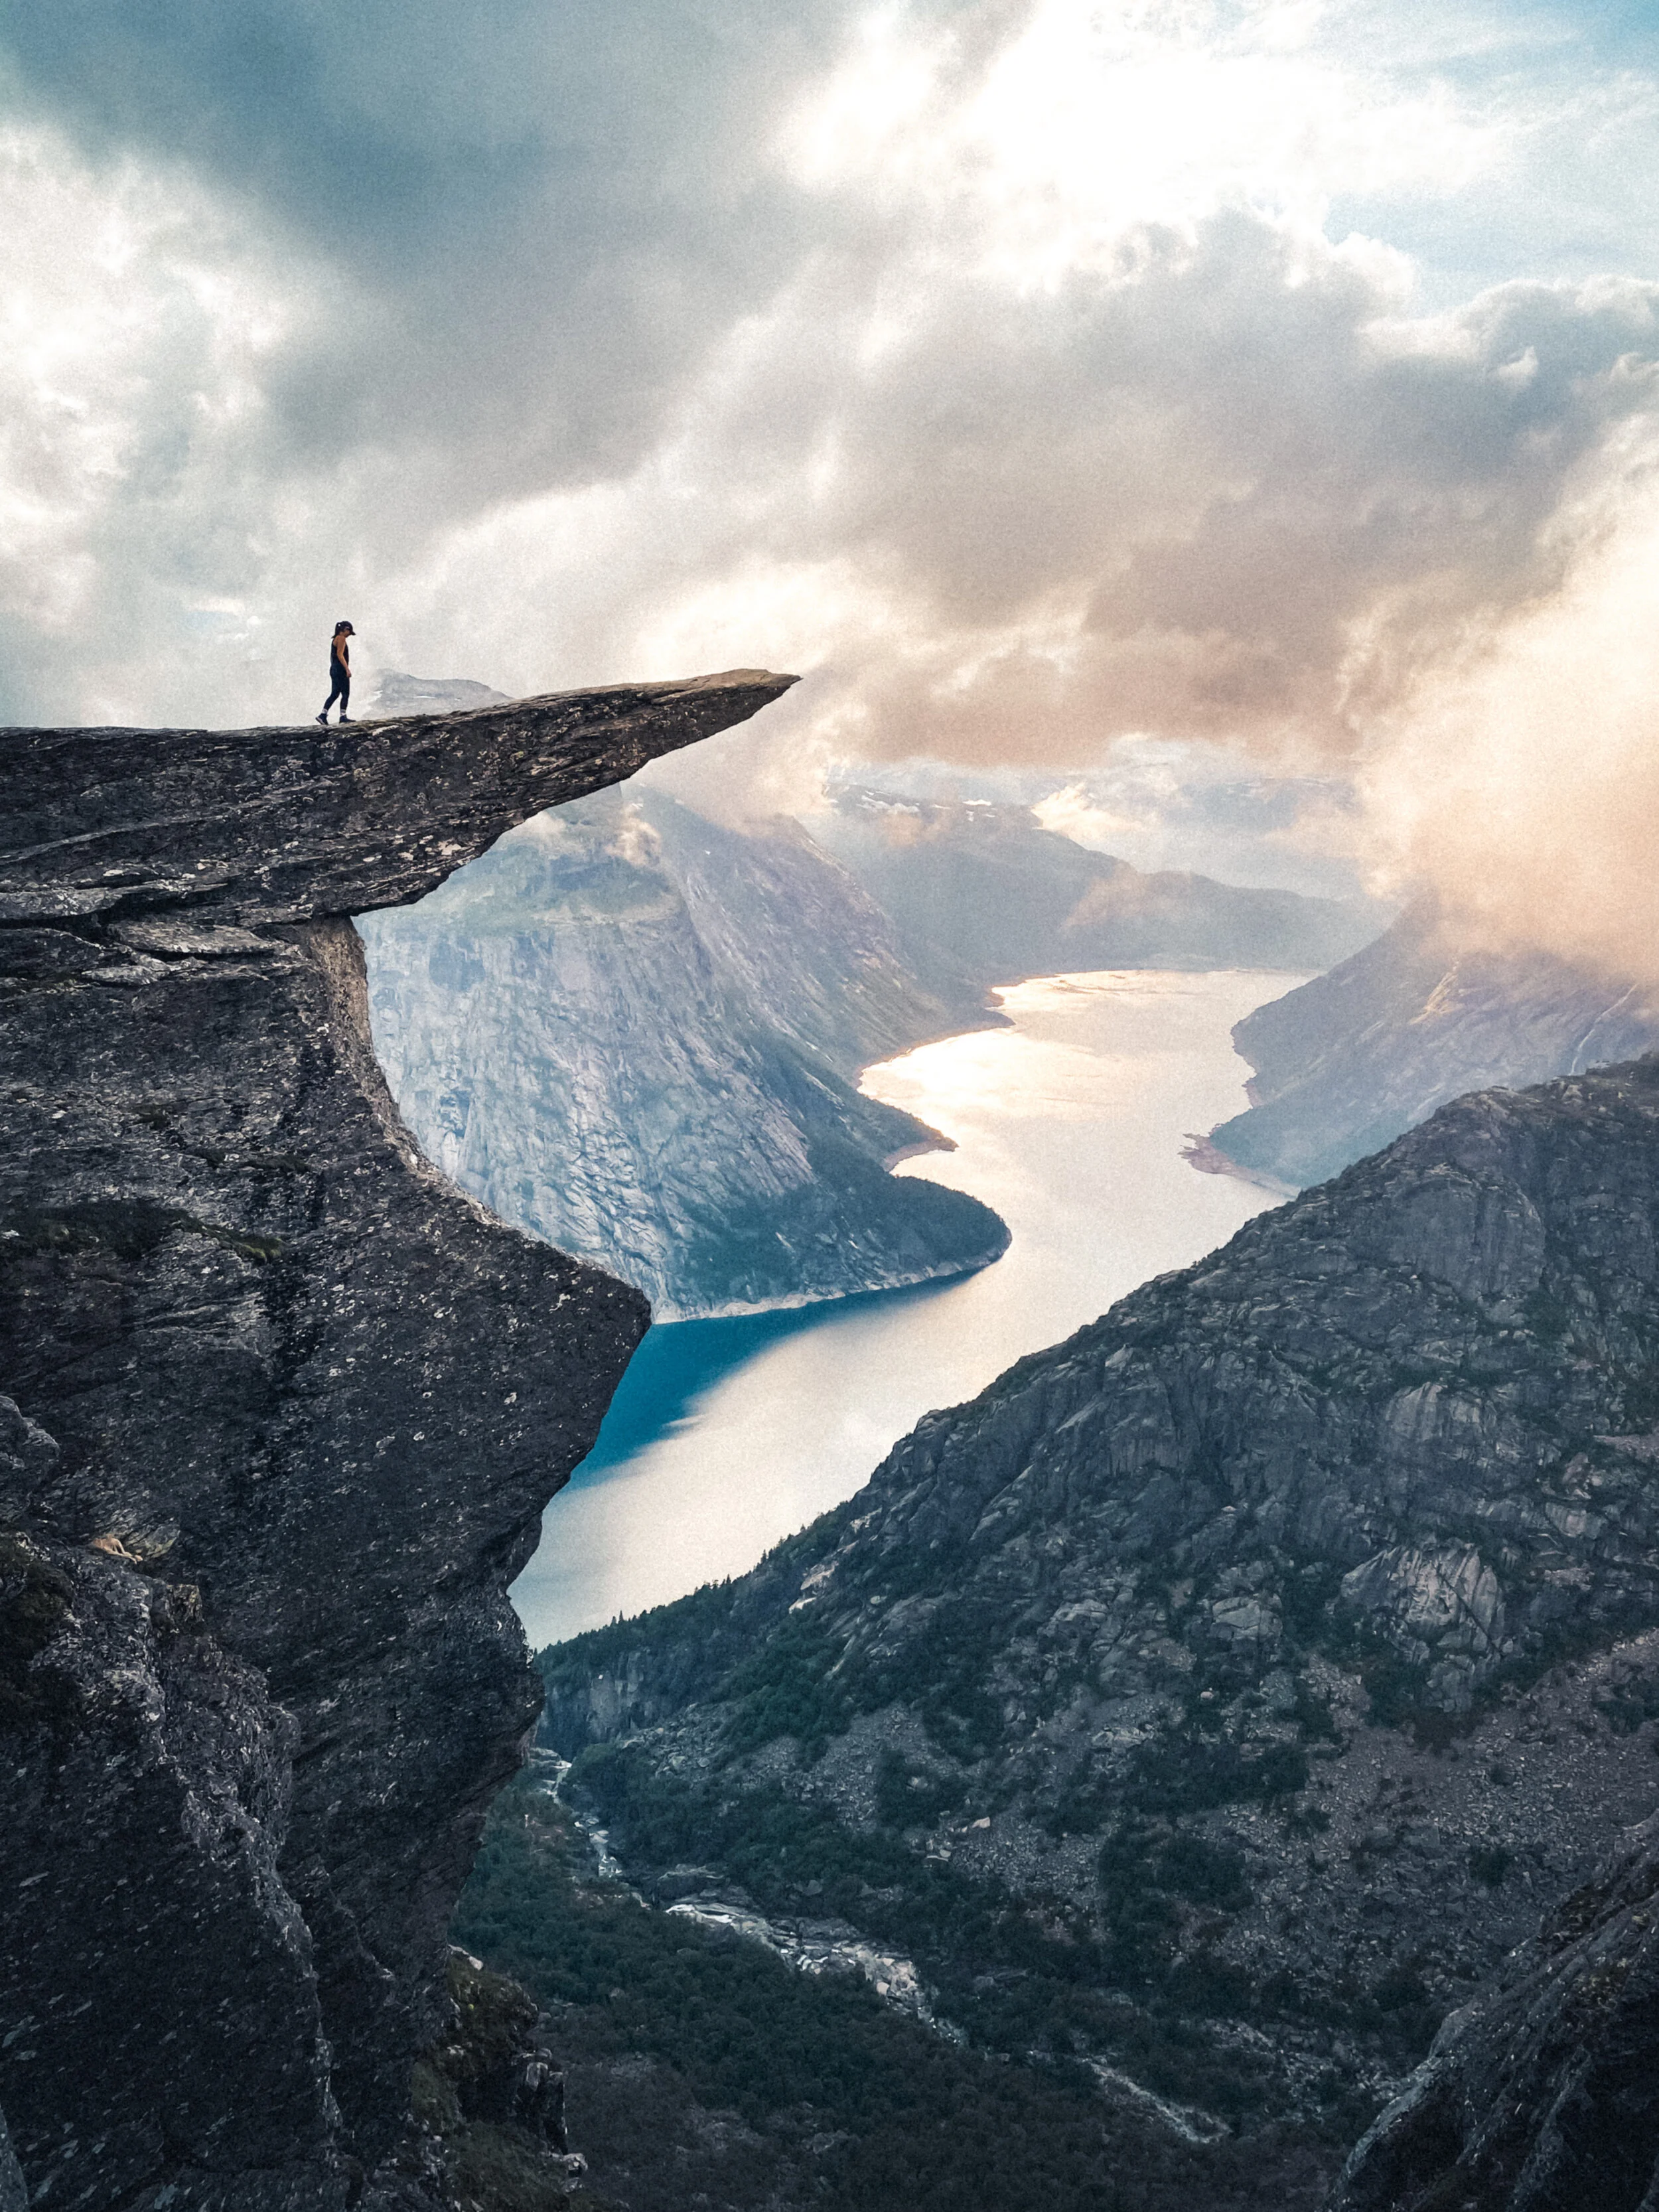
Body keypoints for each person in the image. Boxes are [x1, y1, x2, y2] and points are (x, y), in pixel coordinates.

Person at [317, 621, 354, 723]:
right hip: (340, 670)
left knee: (335, 694)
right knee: (345, 693)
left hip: (334, 669)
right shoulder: (341, 639)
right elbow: (340, 654)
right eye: (349, 632)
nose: (349, 635)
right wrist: (347, 669)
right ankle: (343, 717)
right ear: (345, 629)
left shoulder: (335, 639)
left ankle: (323, 714)